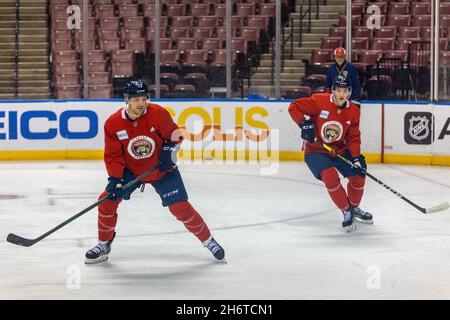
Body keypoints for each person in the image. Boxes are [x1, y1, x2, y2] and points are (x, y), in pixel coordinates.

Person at [85, 80, 225, 264]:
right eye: (136, 99)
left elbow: (176, 134)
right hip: (132, 170)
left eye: (144, 99)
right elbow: (113, 155)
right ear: (126, 100)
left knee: (180, 208)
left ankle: (209, 241)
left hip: (162, 168)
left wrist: (170, 148)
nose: (141, 103)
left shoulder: (158, 113)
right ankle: (104, 244)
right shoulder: (113, 123)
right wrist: (115, 179)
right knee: (106, 202)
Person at [288, 75, 373, 232]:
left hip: (340, 149)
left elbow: (353, 136)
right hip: (316, 150)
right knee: (330, 176)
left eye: (345, 91)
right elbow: (294, 106)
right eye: (339, 90)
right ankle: (346, 211)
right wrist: (304, 124)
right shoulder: (319, 101)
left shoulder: (353, 111)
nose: (342, 94)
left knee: (359, 176)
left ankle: (354, 208)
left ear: (349, 92)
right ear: (333, 90)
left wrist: (355, 157)